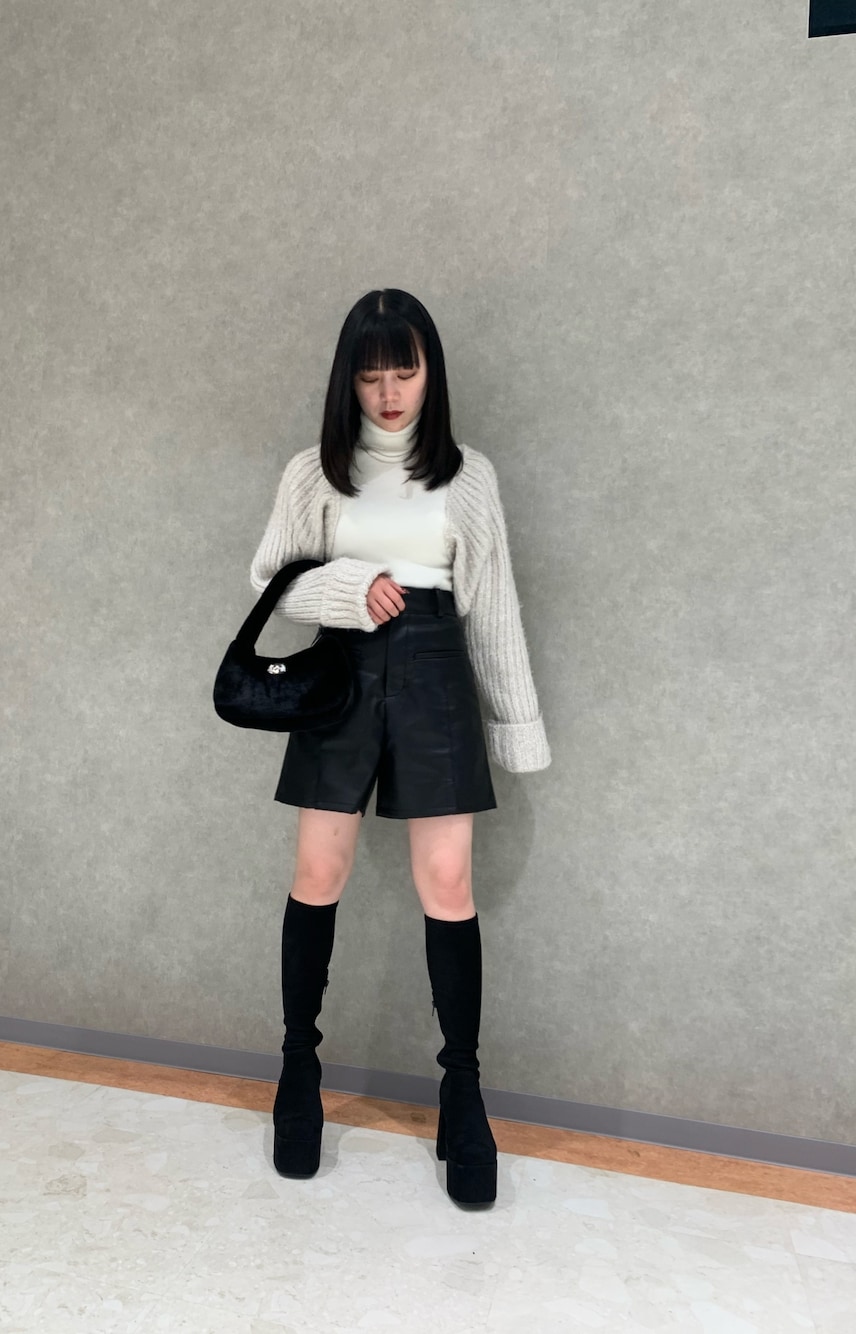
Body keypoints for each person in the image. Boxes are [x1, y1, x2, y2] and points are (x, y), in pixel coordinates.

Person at [249, 289, 551, 1206]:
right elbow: (272, 581)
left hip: (434, 673)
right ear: (349, 379)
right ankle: (299, 1070)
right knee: (318, 871)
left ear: (430, 373)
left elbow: (492, 606)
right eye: (371, 375)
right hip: (340, 676)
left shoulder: (469, 477)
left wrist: (517, 725)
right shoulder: (314, 472)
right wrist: (348, 590)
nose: (388, 394)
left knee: (448, 883)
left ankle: (463, 1091)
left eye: (404, 372)